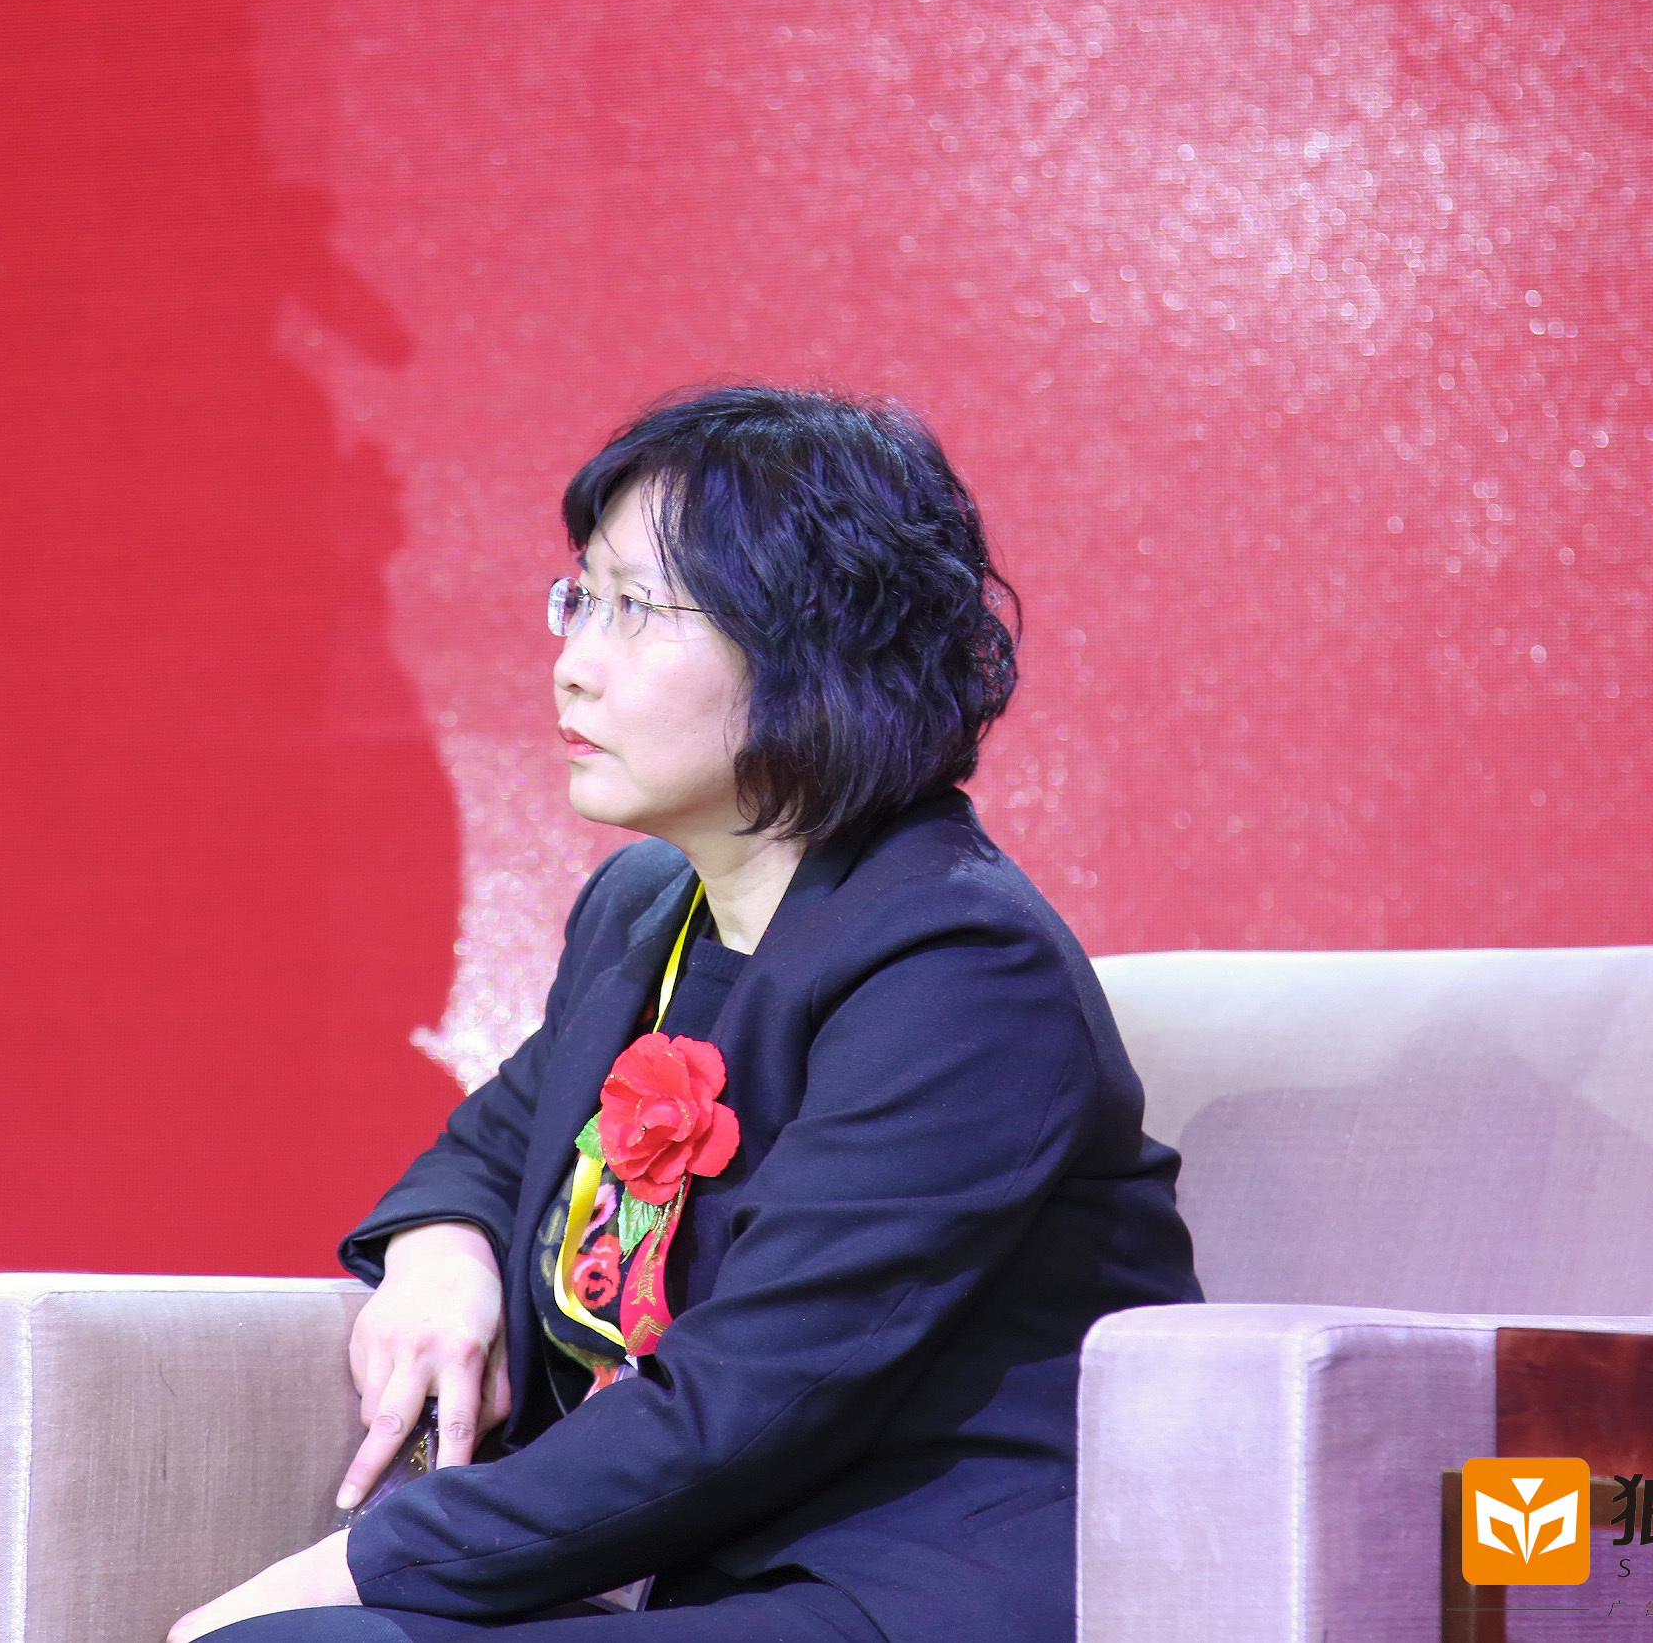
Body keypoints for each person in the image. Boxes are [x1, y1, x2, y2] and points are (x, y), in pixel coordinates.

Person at [172, 386, 1201, 1643]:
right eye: (578, 598)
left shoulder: (957, 965)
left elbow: (755, 1396)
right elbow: (496, 1142)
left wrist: (366, 1563)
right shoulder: (647, 909)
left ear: (812, 646)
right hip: (697, 1576)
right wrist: (441, 1251)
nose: (571, 660)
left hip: (905, 1584)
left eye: (634, 608)